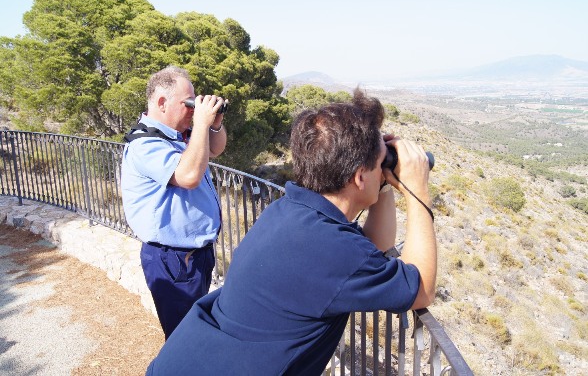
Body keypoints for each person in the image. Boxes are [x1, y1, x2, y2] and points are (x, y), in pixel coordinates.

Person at [146, 89, 437, 374]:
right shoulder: (335, 251)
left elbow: (371, 247)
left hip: (185, 360)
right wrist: (417, 187)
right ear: (360, 176)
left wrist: (383, 179)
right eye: (379, 165)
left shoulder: (290, 212)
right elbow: (422, 288)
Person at [121, 66, 227, 339]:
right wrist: (202, 123)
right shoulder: (146, 144)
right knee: (185, 338)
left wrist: (214, 123)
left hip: (194, 255)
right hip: (173, 261)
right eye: (188, 104)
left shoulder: (179, 134)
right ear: (161, 103)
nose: (194, 110)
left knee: (195, 331)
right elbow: (189, 176)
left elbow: (216, 148)